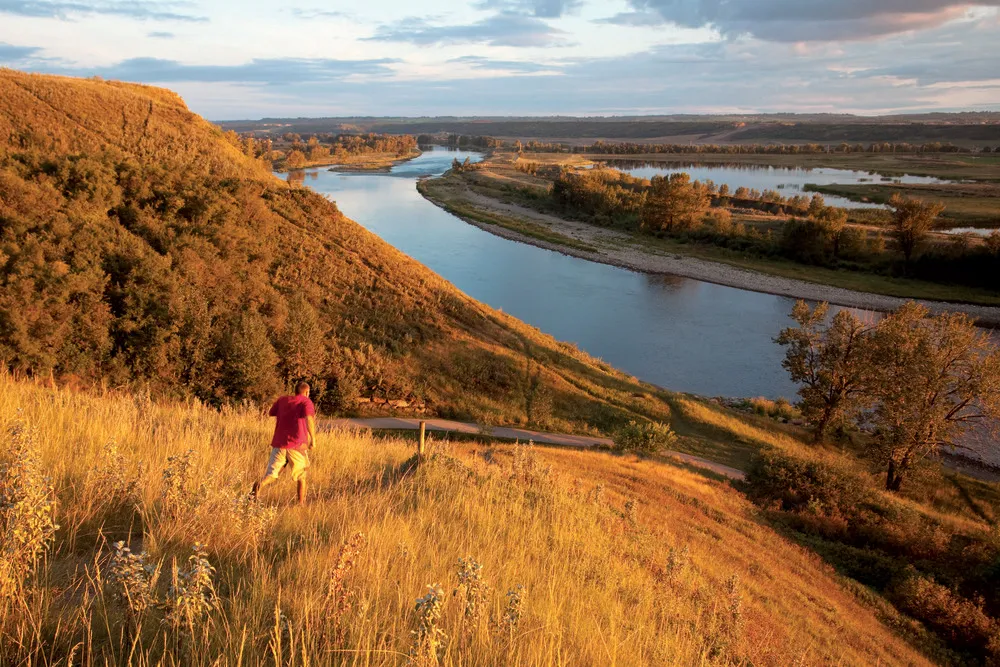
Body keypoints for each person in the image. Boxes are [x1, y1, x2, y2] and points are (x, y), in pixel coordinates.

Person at [251, 381, 316, 505]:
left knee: (271, 475)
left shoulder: (282, 400)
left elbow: (271, 413)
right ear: (307, 392)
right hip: (297, 445)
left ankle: (259, 485)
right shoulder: (306, 401)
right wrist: (313, 439)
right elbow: (309, 419)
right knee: (302, 476)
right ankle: (301, 504)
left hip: (279, 444)